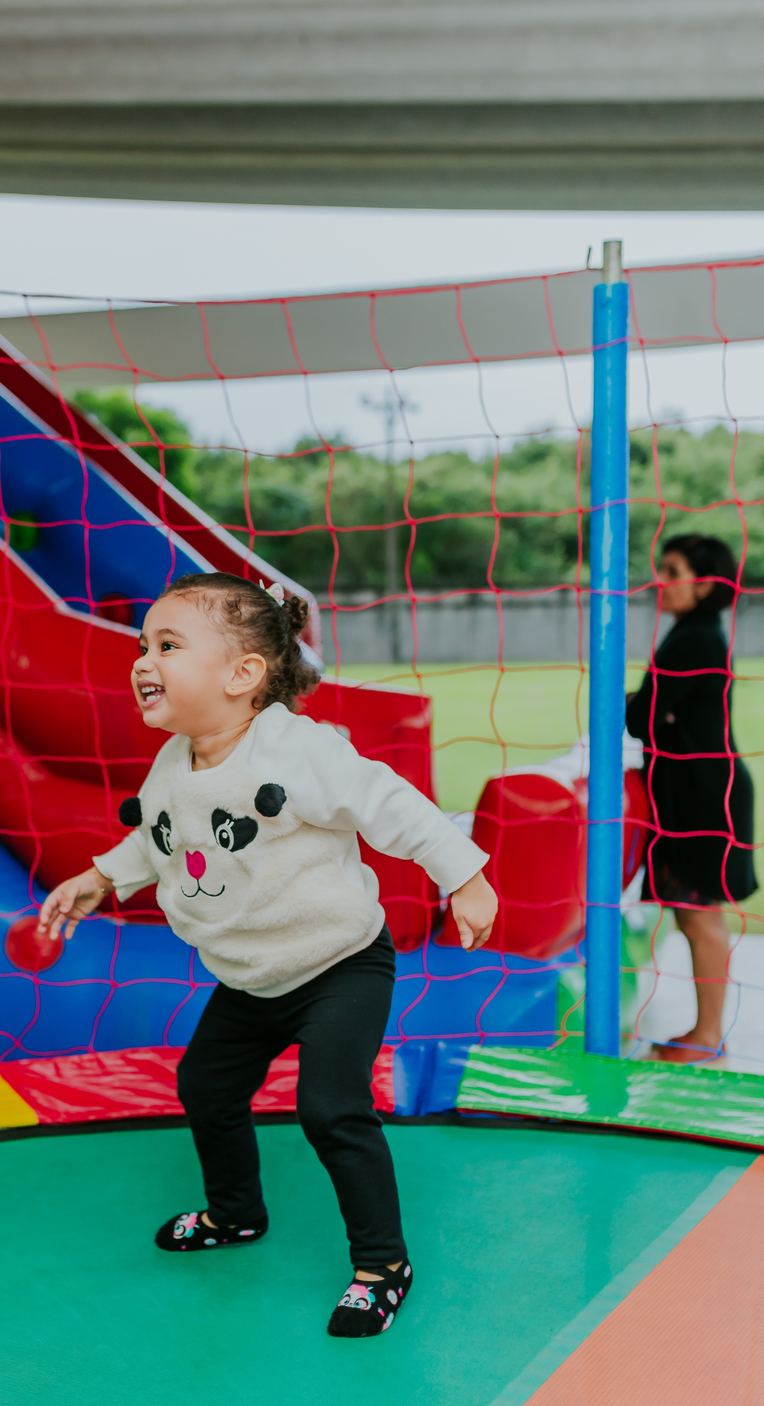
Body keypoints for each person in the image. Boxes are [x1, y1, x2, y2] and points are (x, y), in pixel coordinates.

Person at [38, 572, 497, 1337]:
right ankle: (236, 1213)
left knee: (330, 1106)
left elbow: (389, 803)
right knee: (207, 1086)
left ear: (243, 675)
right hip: (252, 978)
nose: (143, 661)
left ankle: (383, 1265)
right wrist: (100, 879)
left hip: (339, 964)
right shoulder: (175, 763)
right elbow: (158, 838)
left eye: (169, 645)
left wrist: (466, 875)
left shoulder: (294, 749)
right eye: (142, 645)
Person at [626, 534, 756, 1062]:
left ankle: (706, 1037)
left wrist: (644, 704)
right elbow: (654, 714)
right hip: (699, 792)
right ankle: (704, 1032)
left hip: (705, 800)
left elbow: (639, 718)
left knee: (701, 919)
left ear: (704, 585)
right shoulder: (696, 632)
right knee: (691, 917)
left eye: (673, 571)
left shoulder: (694, 640)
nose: (662, 579)